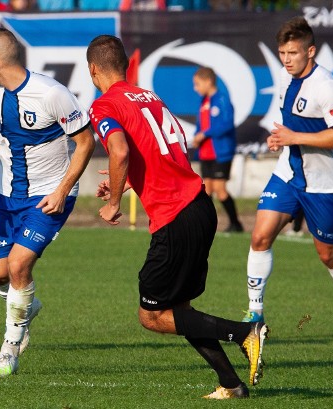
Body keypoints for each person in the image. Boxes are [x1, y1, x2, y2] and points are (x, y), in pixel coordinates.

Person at [86, 35, 268, 399]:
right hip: (198, 206)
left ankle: (245, 332)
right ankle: (231, 384)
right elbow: (162, 155)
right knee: (179, 309)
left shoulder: (104, 105)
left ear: (93, 71)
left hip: (176, 217)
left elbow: (119, 151)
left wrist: (113, 204)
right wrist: (123, 186)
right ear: (125, 66)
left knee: (150, 315)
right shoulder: (151, 98)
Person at [0, 27, 95, 377]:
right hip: (9, 196)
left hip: (50, 196)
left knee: (19, 266)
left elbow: (86, 143)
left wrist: (62, 189)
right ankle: (26, 305)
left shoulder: (53, 93)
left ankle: (9, 351)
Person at [242, 17, 333, 342]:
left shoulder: (327, 87)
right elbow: (292, 132)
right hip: (288, 173)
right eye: (282, 52)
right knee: (260, 237)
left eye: (293, 53)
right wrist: (281, 140)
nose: (286, 59)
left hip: (324, 183)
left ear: (310, 51)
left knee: (328, 254)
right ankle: (255, 312)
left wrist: (294, 136)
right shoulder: (287, 79)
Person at [192, 66, 243, 233]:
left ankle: (236, 223)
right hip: (206, 153)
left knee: (220, 190)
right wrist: (197, 136)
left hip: (221, 152)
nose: (195, 88)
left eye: (197, 84)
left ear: (208, 81)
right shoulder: (203, 101)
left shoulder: (222, 99)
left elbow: (227, 124)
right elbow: (201, 125)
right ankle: (205, 225)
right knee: (206, 190)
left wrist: (205, 134)